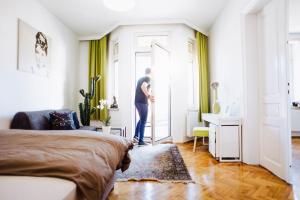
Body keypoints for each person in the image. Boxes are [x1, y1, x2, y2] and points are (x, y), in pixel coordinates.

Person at [134, 68, 155, 145]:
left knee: (142, 119)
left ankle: (136, 136)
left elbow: (142, 88)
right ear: (150, 72)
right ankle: (141, 141)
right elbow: (143, 87)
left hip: (137, 102)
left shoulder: (140, 79)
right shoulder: (148, 78)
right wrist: (149, 96)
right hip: (142, 102)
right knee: (144, 121)